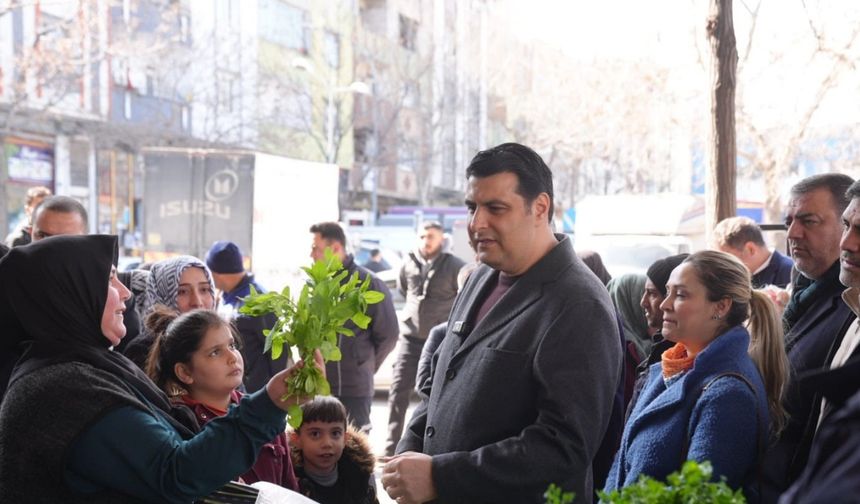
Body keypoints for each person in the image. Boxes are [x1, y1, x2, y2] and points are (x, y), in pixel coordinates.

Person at [0, 234, 322, 502]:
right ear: (70, 296)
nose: (126, 293)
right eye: (110, 281)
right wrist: (269, 404)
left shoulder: (83, 367)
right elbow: (177, 473)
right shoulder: (64, 389)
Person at [383, 142, 622, 503]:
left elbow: (564, 447)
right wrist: (408, 452)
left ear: (540, 207)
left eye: (495, 208)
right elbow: (442, 383)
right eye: (472, 207)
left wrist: (440, 476)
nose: (477, 223)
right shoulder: (482, 276)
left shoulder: (579, 304)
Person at [605, 251, 787, 500]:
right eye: (667, 291)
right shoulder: (669, 369)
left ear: (721, 307)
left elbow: (700, 495)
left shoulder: (728, 394)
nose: (663, 304)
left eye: (680, 294)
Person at [760, 173, 856, 503]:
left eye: (808, 221)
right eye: (788, 221)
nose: (792, 234)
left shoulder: (850, 307)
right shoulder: (803, 295)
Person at [145, 306, 299, 490]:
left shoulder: (263, 408)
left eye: (232, 345)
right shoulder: (178, 423)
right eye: (215, 352)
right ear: (185, 372)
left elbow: (289, 488)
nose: (232, 357)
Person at [384, 221, 465, 455]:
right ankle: (392, 448)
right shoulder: (408, 263)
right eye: (422, 236)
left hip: (439, 340)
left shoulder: (454, 266)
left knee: (431, 393)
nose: (426, 241)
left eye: (431, 236)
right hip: (410, 337)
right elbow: (402, 289)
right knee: (398, 390)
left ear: (442, 239)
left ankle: (423, 449)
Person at [309, 222, 398, 432]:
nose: (311, 255)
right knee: (320, 452)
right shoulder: (317, 284)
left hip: (354, 389)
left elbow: (389, 335)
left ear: (336, 248)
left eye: (316, 248)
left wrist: (364, 364)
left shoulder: (368, 283)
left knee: (353, 452)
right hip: (321, 385)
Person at [205, 240, 289, 392]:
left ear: (217, 273)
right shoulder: (224, 296)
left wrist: (275, 393)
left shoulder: (259, 302)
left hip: (255, 393)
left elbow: (279, 350)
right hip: (234, 390)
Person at [123, 255, 216, 370]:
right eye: (182, 291)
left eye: (204, 289)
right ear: (161, 296)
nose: (197, 302)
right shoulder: (143, 351)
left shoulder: (222, 340)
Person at [290, 396, 379, 504]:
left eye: (335, 433)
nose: (327, 443)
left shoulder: (361, 475)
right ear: (296, 440)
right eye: (315, 434)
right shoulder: (288, 481)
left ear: (345, 439)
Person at [712, 216, 794, 289]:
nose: (723, 267)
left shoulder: (791, 274)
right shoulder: (730, 279)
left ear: (750, 249)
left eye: (727, 259)